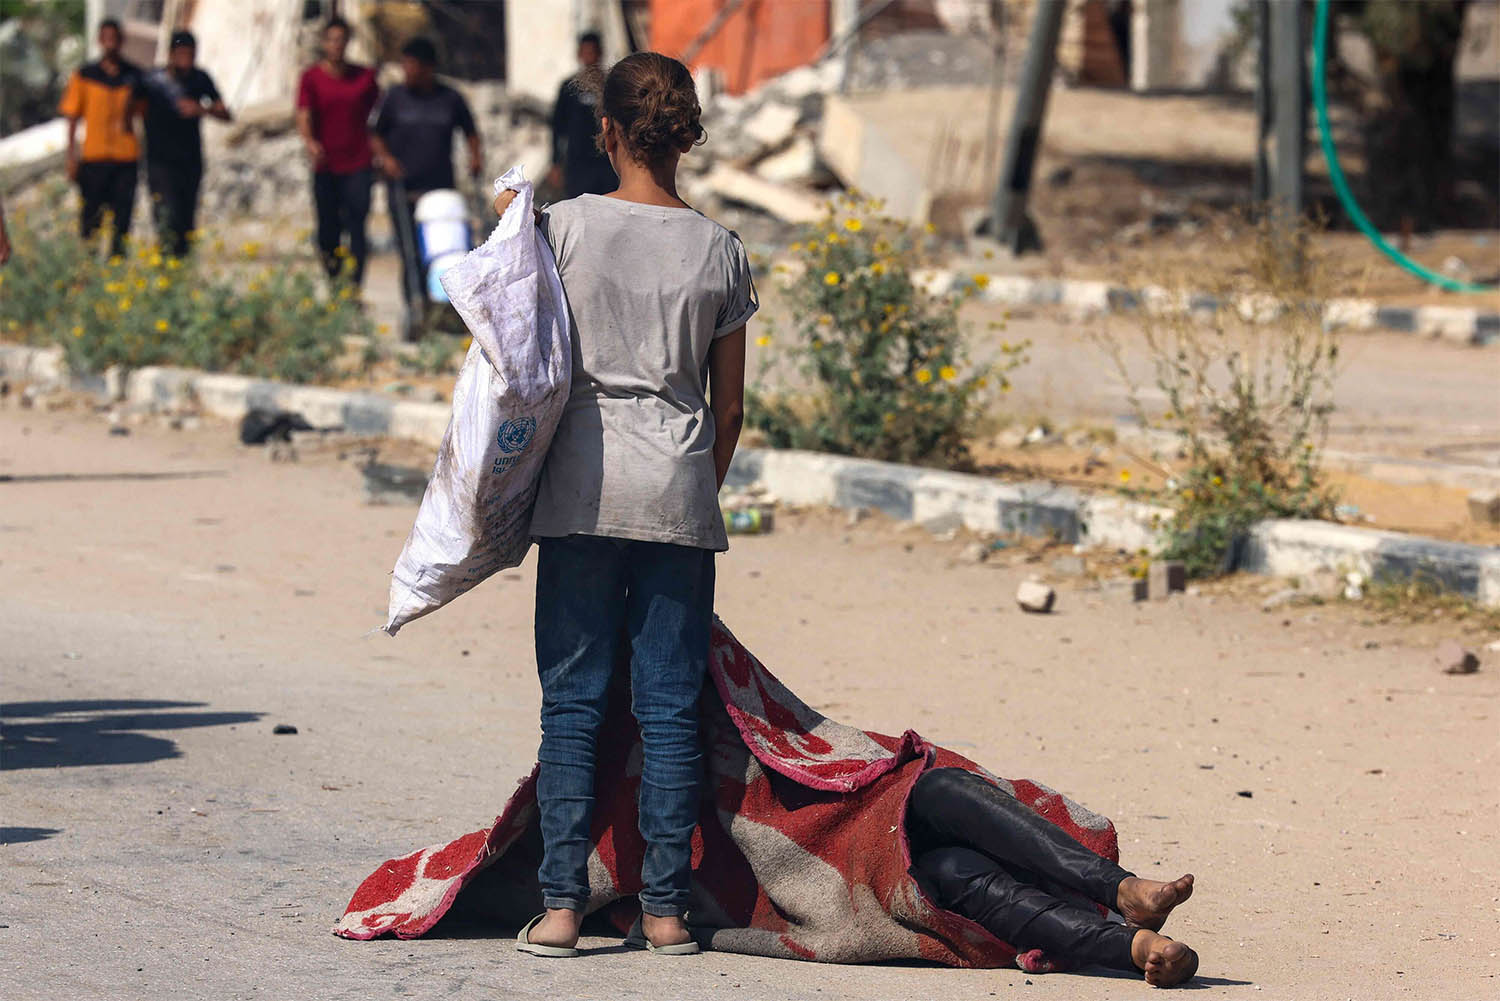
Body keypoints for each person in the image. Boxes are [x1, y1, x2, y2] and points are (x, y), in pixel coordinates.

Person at [494, 52, 755, 957]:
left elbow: (519, 360)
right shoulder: (720, 249)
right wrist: (693, 486)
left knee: (572, 700)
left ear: (606, 131)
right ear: (684, 136)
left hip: (580, 488)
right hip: (678, 491)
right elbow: (729, 407)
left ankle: (563, 906)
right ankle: (666, 912)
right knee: (669, 706)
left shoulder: (563, 228)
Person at [370, 36, 481, 316]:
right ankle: (415, 306)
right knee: (410, 252)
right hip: (403, 188)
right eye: (404, 64)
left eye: (412, 65)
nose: (406, 71)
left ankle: (444, 308)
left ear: (428, 67)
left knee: (443, 251)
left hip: (439, 192)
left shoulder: (450, 98)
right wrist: (387, 159)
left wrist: (475, 158)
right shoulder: (394, 97)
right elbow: (375, 134)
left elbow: (470, 132)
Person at [296, 17, 379, 286]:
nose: (336, 46)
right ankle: (334, 283)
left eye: (341, 40)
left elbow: (379, 116)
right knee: (328, 231)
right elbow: (304, 113)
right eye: (331, 40)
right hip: (326, 164)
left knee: (357, 227)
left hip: (359, 162)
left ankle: (354, 287)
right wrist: (310, 141)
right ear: (324, 43)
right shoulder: (311, 78)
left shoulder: (364, 77)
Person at [138, 30, 230, 258]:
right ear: (171, 54)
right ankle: (166, 269)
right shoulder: (153, 81)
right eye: (181, 54)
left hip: (190, 161)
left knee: (186, 221)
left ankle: (183, 270)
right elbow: (133, 105)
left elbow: (225, 113)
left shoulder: (200, 79)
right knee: (166, 219)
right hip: (160, 162)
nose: (186, 60)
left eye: (190, 54)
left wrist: (201, 109)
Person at [59, 18, 142, 257]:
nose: (110, 44)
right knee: (91, 222)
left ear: (121, 41)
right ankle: (89, 276)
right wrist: (71, 157)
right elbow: (72, 117)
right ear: (99, 41)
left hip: (125, 158)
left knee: (122, 222)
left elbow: (145, 112)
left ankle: (116, 272)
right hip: (94, 158)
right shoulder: (85, 75)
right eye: (106, 39)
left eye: (114, 39)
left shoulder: (134, 77)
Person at [548, 31, 617, 198]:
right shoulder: (569, 87)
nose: (589, 57)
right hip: (577, 164)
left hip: (606, 162)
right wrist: (555, 163)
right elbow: (558, 127)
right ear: (579, 54)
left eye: (592, 52)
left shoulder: (610, 85)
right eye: (585, 52)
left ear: (599, 53)